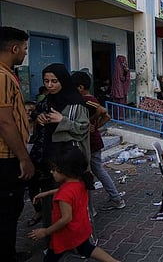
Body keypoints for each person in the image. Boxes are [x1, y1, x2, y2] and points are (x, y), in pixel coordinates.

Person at [28, 147, 120, 262]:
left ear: (65, 171)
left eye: (54, 169)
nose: (51, 172)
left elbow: (66, 218)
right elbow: (68, 192)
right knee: (86, 249)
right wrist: (47, 193)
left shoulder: (64, 193)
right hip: (80, 228)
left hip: (65, 234)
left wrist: (45, 231)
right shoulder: (80, 182)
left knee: (50, 258)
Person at [29, 63, 90, 231]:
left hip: (69, 159)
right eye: (46, 81)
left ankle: (77, 237)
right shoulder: (48, 100)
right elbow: (37, 113)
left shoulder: (76, 103)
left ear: (63, 80)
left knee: (70, 198)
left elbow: (84, 128)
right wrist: (40, 118)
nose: (50, 85)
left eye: (54, 81)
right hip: (49, 157)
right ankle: (52, 235)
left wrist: (62, 121)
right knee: (52, 199)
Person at [0, 26, 35, 261]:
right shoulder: (2, 77)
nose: (24, 53)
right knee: (8, 210)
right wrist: (24, 158)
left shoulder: (7, 74)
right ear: (14, 48)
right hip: (6, 157)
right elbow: (5, 123)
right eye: (24, 48)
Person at [71, 71, 126, 211]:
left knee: (92, 172)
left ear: (80, 87)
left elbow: (104, 114)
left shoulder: (87, 100)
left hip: (90, 142)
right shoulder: (88, 99)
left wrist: (92, 125)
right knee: (96, 170)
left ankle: (111, 200)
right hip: (91, 140)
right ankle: (114, 198)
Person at [111, 55, 130, 119]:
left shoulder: (116, 68)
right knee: (121, 103)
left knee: (116, 103)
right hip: (121, 89)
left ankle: (116, 116)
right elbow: (123, 78)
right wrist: (127, 72)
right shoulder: (121, 68)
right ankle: (121, 116)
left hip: (115, 89)